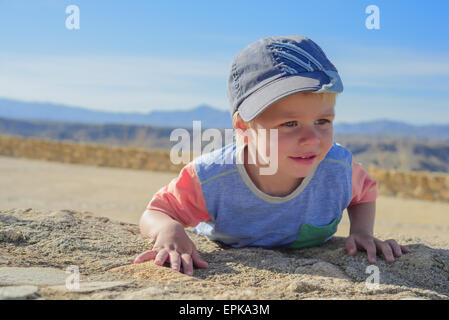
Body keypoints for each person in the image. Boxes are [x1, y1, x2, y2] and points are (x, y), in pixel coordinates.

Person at [133, 35, 410, 276]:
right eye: (289, 124)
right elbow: (157, 211)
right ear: (244, 127)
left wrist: (361, 232)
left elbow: (364, 193)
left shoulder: (337, 167)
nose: (312, 138)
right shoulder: (213, 177)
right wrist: (168, 230)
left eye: (323, 121)